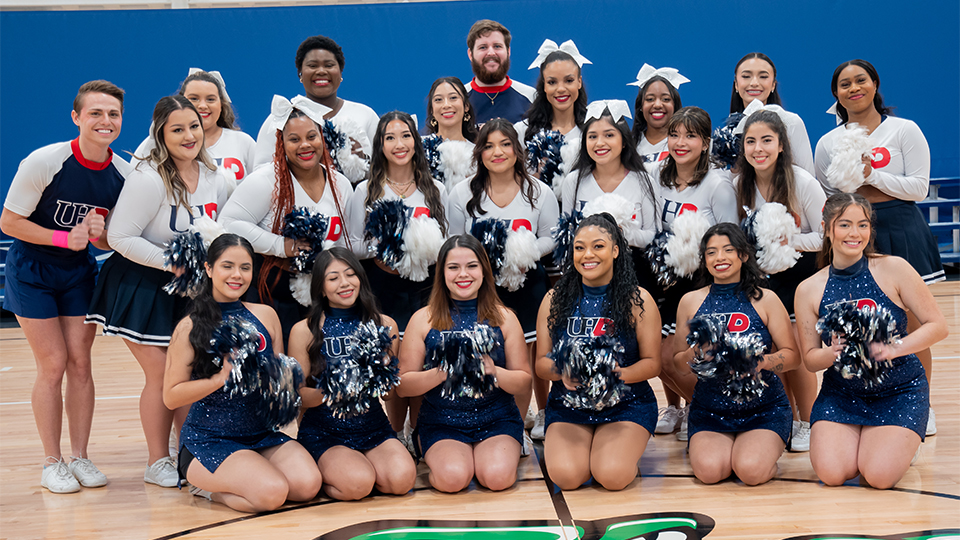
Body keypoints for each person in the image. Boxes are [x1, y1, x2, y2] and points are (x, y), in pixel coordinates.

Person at [86, 95, 233, 489]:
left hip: (188, 290)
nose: (189, 136)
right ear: (161, 135)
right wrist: (172, 262)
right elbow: (119, 236)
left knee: (186, 372)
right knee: (162, 375)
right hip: (141, 285)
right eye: (177, 129)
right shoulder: (149, 178)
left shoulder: (216, 177)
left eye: (194, 127)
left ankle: (192, 456)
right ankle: (157, 461)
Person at [0, 80, 128, 494]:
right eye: (96, 113)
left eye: (113, 114)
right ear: (76, 118)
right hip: (32, 270)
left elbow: (112, 240)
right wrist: (61, 238)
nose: (105, 121)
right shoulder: (45, 161)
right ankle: (51, 462)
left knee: (81, 363)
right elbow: (9, 222)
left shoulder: (122, 174)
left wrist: (98, 236)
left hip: (78, 272)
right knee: (52, 364)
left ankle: (80, 457)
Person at [814, 59, 943, 436]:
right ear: (836, 94)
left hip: (898, 226)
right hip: (853, 232)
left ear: (874, 84)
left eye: (860, 81)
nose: (853, 88)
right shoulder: (828, 142)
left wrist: (872, 175)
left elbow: (918, 188)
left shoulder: (903, 130)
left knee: (913, 323)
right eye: (844, 84)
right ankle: (866, 398)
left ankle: (923, 402)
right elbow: (828, 194)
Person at [794, 193, 947, 489]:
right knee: (832, 475)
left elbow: (938, 326)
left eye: (863, 225)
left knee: (877, 476)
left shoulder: (894, 268)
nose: (855, 234)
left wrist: (895, 348)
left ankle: (905, 439)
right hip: (842, 395)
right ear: (827, 229)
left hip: (899, 390)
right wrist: (832, 352)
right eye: (845, 225)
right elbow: (811, 360)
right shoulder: (809, 289)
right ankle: (870, 439)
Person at [163, 234, 322, 511]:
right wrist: (218, 380)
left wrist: (284, 383)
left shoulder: (266, 315)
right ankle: (205, 488)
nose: (237, 275)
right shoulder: (189, 326)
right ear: (209, 269)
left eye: (245, 268)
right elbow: (171, 397)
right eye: (227, 266)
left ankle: (246, 475)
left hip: (262, 434)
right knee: (271, 495)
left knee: (307, 485)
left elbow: (279, 378)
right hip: (210, 440)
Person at [446, 119, 559, 448]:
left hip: (527, 283)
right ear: (479, 152)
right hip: (480, 290)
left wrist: (520, 253)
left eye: (506, 144)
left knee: (525, 359)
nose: (498, 152)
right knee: (494, 357)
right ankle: (501, 420)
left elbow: (551, 237)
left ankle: (528, 422)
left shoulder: (539, 191)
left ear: (517, 149)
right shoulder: (463, 192)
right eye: (489, 146)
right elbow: (455, 241)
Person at [535, 213, 661, 491]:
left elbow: (653, 364)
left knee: (612, 476)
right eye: (579, 247)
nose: (587, 254)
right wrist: (561, 371)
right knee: (566, 478)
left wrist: (617, 374)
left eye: (598, 246)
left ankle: (623, 452)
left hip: (626, 404)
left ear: (615, 250)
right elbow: (541, 364)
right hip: (570, 405)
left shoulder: (638, 300)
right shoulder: (554, 299)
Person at [344, 111, 448, 444]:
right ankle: (394, 431)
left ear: (416, 142)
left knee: (419, 359)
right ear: (380, 145)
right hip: (382, 285)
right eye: (390, 137)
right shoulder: (365, 191)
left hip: (425, 287)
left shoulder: (436, 190)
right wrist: (382, 249)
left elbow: (449, 241)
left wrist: (425, 249)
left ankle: (419, 429)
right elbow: (352, 244)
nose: (399, 144)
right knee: (391, 360)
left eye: (405, 135)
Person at [398, 235, 532, 493]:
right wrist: (441, 373)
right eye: (453, 267)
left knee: (497, 478)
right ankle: (430, 446)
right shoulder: (422, 319)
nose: (463, 274)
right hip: (442, 420)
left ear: (484, 270)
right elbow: (402, 386)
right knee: (453, 479)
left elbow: (524, 381)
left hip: (497, 418)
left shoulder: (504, 317)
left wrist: (495, 371)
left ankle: (513, 444)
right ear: (441, 273)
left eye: (471, 266)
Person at [220, 96, 353, 347]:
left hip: (323, 293)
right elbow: (228, 222)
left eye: (312, 136)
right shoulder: (267, 180)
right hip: (274, 291)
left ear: (323, 138)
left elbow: (344, 241)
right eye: (294, 139)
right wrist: (283, 246)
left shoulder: (341, 184)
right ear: (281, 143)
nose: (305, 145)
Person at [674, 224, 800, 485]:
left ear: (743, 255)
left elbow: (793, 356)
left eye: (728, 250)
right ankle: (730, 452)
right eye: (711, 252)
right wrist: (696, 351)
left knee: (751, 472)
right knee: (709, 473)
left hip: (764, 408)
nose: (720, 258)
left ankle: (758, 454)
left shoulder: (766, 299)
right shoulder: (690, 301)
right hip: (710, 410)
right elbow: (678, 364)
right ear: (704, 260)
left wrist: (762, 362)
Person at [288, 248, 416, 500]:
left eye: (350, 274)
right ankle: (332, 470)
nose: (344, 283)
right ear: (321, 288)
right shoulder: (304, 330)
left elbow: (390, 395)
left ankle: (360, 468)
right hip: (325, 432)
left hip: (374, 428)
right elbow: (298, 397)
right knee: (358, 484)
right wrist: (335, 388)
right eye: (333, 278)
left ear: (361, 278)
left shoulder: (385, 324)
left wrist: (384, 368)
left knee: (402, 481)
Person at [733, 110, 827, 452]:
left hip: (799, 276)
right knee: (771, 350)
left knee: (798, 353)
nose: (759, 148)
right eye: (751, 141)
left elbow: (825, 235)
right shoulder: (739, 184)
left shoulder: (801, 181)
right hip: (760, 279)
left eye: (766, 141)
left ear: (782, 145)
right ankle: (785, 416)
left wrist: (790, 241)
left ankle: (808, 421)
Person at [650, 106, 738, 440]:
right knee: (657, 357)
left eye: (690, 135)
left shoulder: (718, 184)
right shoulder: (659, 176)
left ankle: (705, 410)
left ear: (706, 142)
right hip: (666, 277)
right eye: (674, 134)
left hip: (701, 281)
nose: (680, 142)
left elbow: (729, 238)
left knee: (679, 356)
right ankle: (685, 408)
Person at [253, 35, 378, 176]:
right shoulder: (281, 117)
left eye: (329, 65)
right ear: (300, 74)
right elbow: (260, 171)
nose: (321, 71)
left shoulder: (365, 115)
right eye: (312, 66)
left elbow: (386, 169)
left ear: (340, 72)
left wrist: (360, 164)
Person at [135, 69, 255, 184]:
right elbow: (136, 180)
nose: (202, 105)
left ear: (221, 104)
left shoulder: (243, 142)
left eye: (210, 99)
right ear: (180, 102)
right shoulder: (156, 143)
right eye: (194, 99)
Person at [516, 39, 589, 200]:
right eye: (552, 82)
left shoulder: (593, 131)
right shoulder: (522, 131)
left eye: (569, 80)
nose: (561, 89)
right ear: (544, 86)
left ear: (579, 82)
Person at [721, 53, 814, 174]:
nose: (754, 83)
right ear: (736, 85)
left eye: (763, 77)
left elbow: (807, 174)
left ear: (773, 85)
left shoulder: (791, 122)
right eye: (746, 76)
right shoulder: (727, 133)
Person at [465, 20, 535, 125]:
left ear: (508, 51)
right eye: (483, 47)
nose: (491, 53)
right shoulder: (458, 100)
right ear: (470, 54)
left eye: (497, 46)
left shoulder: (532, 97)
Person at [422, 77, 478, 190]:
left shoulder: (477, 154)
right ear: (432, 109)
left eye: (453, 98)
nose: (446, 105)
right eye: (438, 100)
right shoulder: (418, 147)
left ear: (466, 106)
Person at [627, 64, 689, 166]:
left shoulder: (687, 144)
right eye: (650, 99)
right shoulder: (627, 146)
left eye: (666, 99)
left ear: (675, 105)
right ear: (641, 106)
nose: (657, 105)